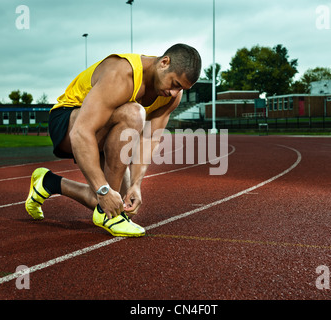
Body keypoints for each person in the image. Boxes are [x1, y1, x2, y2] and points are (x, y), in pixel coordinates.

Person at [25, 43, 202, 237]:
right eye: (175, 84)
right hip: (69, 122)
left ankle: (48, 182)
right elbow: (81, 132)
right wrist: (103, 190)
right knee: (134, 114)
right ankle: (106, 215)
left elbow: (149, 138)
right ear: (164, 63)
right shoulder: (122, 73)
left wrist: (136, 184)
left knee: (119, 204)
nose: (175, 93)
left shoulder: (171, 96)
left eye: (182, 89)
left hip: (104, 131)